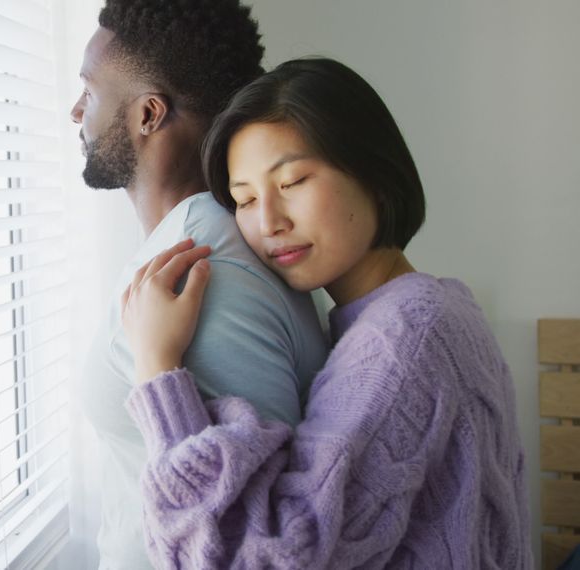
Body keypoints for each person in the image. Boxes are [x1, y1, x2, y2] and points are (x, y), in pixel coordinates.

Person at [119, 58, 532, 569]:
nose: (268, 221)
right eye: (245, 199)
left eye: (292, 182)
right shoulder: (439, 307)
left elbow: (257, 561)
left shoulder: (407, 335)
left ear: (373, 171)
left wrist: (156, 367)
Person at [70, 1, 328, 567]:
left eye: (88, 91)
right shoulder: (190, 244)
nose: (74, 111)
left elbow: (250, 540)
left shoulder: (202, 269)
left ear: (148, 115)